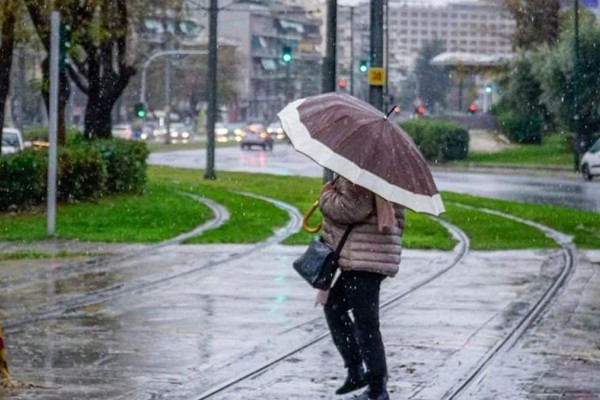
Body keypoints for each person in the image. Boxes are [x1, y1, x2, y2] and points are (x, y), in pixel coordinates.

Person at [316, 175, 405, 400]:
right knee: (335, 306)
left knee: (366, 325)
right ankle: (356, 369)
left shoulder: (361, 174)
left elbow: (352, 208)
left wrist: (326, 195)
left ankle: (376, 388)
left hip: (364, 257)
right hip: (371, 253)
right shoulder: (388, 175)